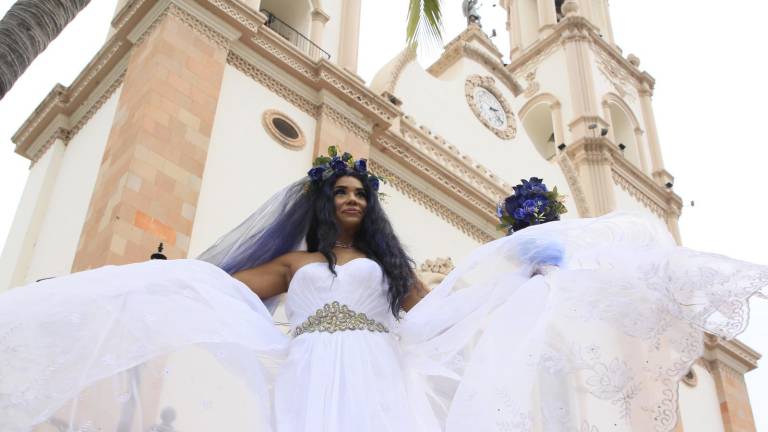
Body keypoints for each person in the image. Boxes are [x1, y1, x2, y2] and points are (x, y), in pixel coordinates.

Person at [0, 147, 765, 432]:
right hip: (306, 372)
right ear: (319, 202)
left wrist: (518, 269)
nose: (352, 200)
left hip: (371, 374)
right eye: (339, 192)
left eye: (361, 194)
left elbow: (446, 314)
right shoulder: (293, 270)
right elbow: (220, 288)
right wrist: (163, 283)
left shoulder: (391, 277)